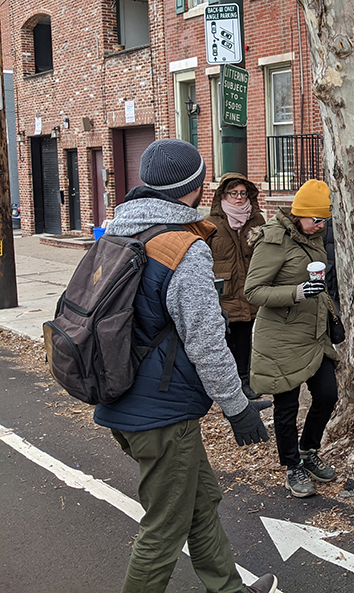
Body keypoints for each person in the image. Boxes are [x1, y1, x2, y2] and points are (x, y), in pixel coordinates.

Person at [93, 139, 277, 593]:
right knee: (164, 528)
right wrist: (238, 408)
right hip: (162, 412)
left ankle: (230, 590)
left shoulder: (121, 231)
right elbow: (208, 343)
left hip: (121, 398)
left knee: (200, 502)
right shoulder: (183, 247)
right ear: (194, 188)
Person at [245, 179, 339, 498]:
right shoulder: (273, 241)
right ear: (299, 214)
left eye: (324, 219)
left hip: (314, 334)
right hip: (281, 338)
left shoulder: (316, 237)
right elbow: (253, 291)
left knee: (327, 395)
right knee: (286, 406)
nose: (320, 225)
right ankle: (292, 467)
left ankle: (308, 450)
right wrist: (297, 292)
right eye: (316, 219)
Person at [206, 173, 266, 400]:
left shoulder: (257, 221)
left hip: (250, 289)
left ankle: (244, 382)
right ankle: (224, 388)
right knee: (223, 342)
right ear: (223, 195)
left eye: (243, 193)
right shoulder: (210, 224)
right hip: (224, 292)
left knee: (244, 339)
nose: (239, 198)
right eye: (234, 193)